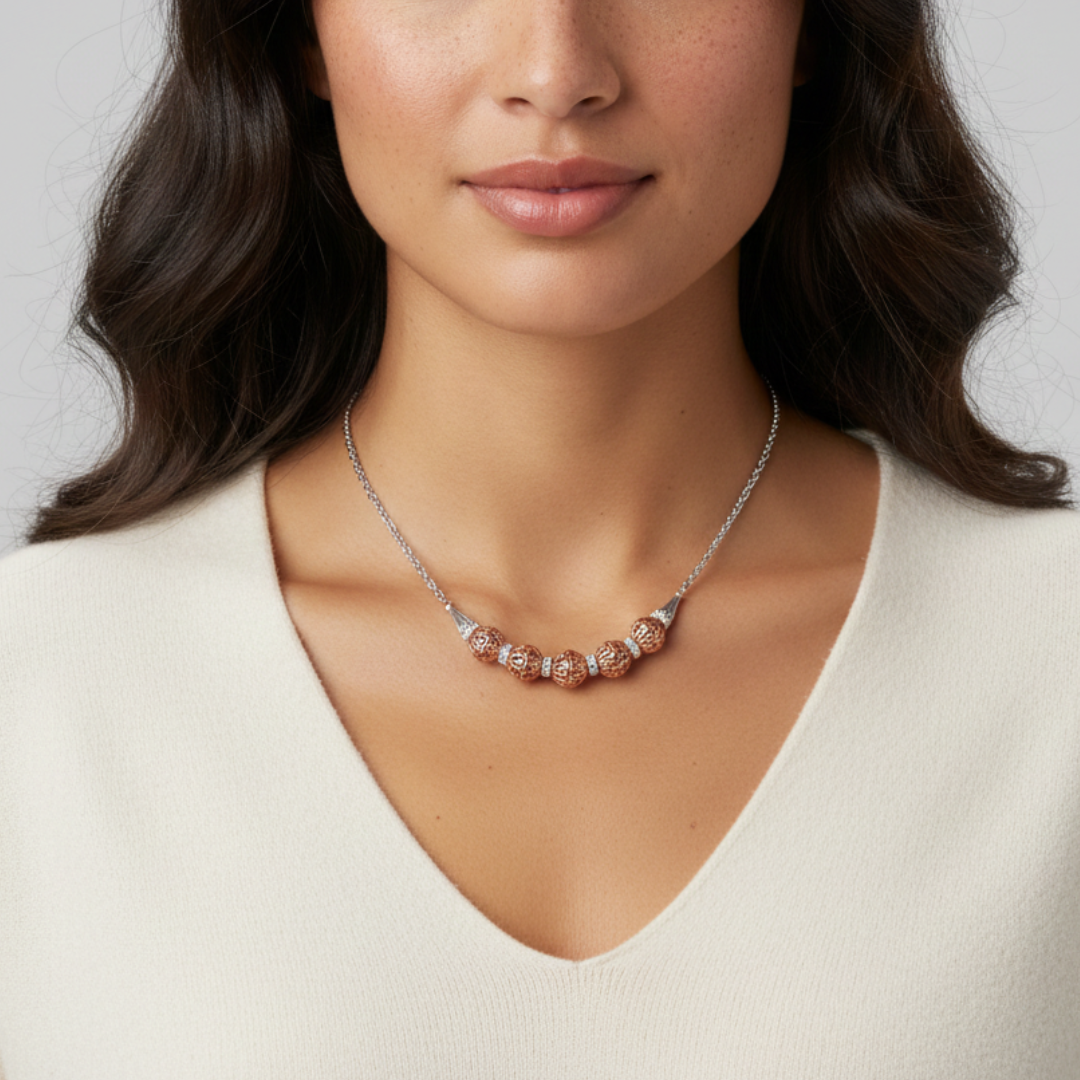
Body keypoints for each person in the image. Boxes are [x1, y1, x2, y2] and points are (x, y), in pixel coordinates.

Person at [1, 0, 1077, 1075]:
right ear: (299, 36)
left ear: (816, 27)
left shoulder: (1049, 660)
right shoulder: (45, 683)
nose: (556, 73)